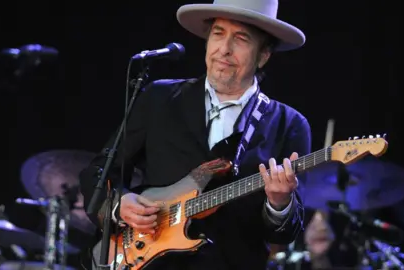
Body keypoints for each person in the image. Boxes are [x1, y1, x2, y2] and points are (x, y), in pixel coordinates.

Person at [79, 0, 311, 269]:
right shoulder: (159, 98)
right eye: (218, 33)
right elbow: (100, 171)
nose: (224, 50)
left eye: (241, 39)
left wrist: (280, 203)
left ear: (263, 55)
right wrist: (119, 204)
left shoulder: (289, 125)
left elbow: (285, 232)